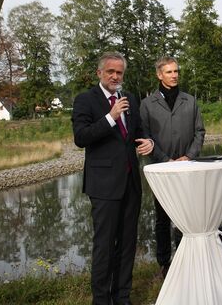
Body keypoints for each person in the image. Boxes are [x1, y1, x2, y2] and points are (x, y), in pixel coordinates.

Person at [71, 52, 154, 305]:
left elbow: (138, 131)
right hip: (104, 186)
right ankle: (101, 300)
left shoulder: (130, 99)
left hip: (131, 183)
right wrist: (111, 117)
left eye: (119, 73)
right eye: (111, 72)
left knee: (128, 244)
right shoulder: (86, 100)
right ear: (100, 73)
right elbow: (81, 137)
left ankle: (122, 297)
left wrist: (148, 141)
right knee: (104, 246)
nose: (116, 77)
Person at [140, 56, 206, 278]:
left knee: (188, 215)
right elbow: (145, 137)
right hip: (162, 169)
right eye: (169, 72)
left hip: (188, 167)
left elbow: (200, 132)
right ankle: (164, 264)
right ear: (159, 75)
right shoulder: (147, 104)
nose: (174, 75)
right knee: (162, 217)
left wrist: (189, 156)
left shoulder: (190, 100)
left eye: (176, 71)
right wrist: (165, 160)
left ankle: (186, 260)